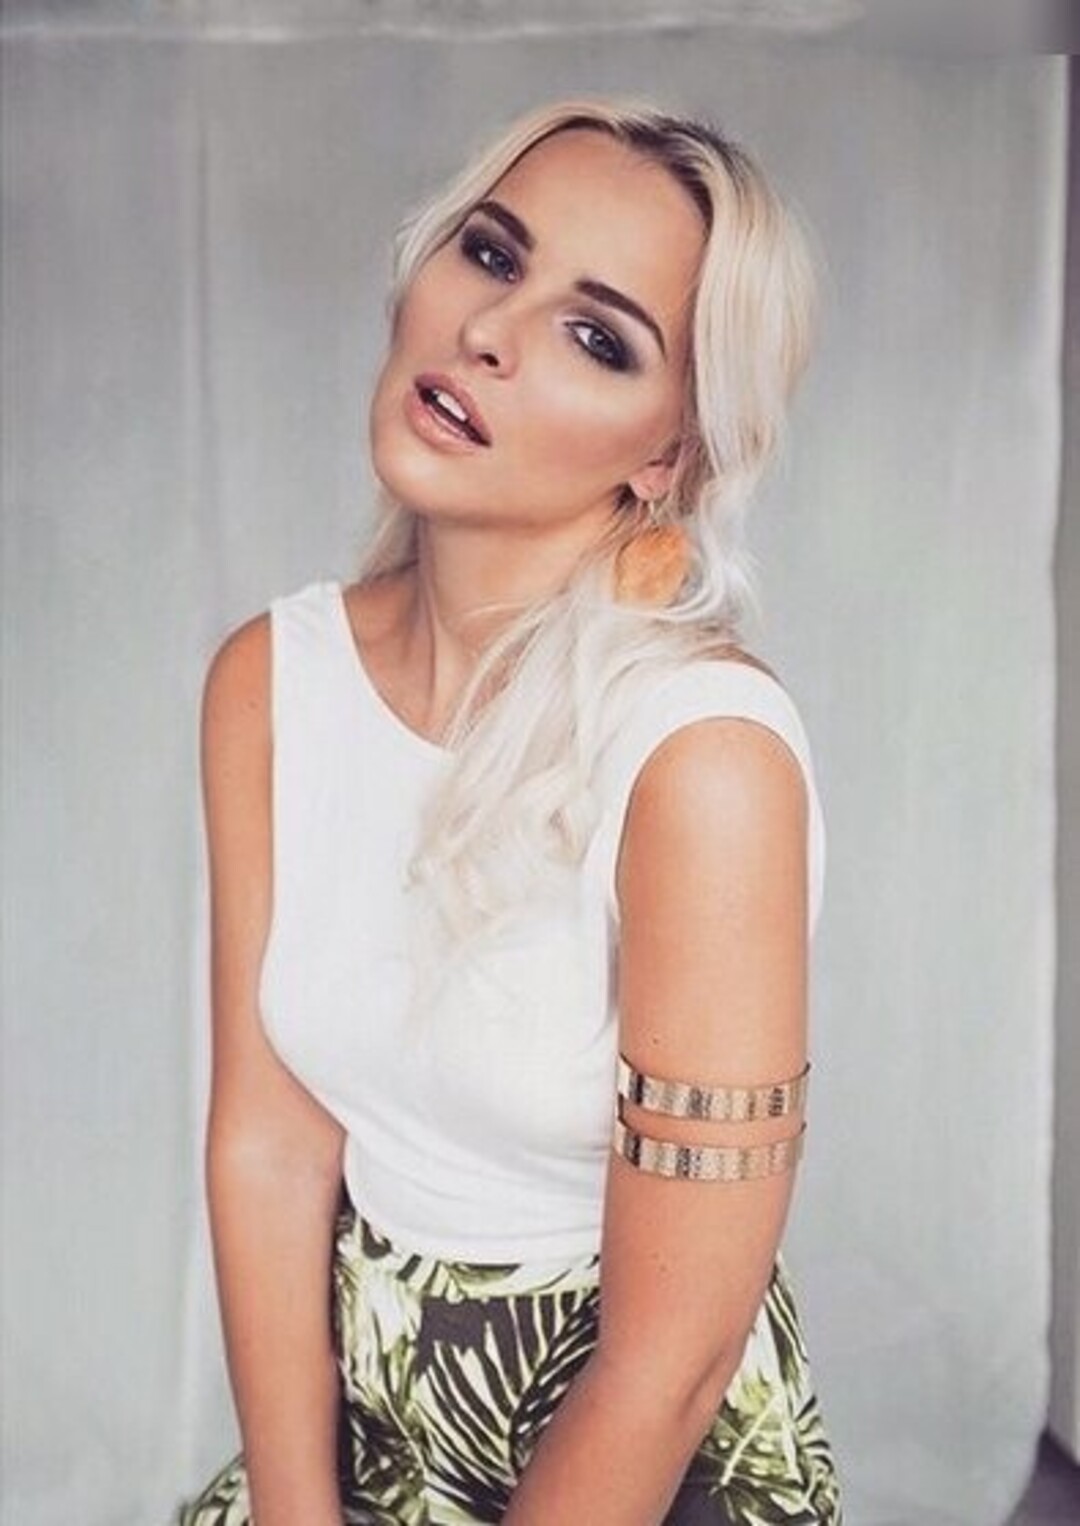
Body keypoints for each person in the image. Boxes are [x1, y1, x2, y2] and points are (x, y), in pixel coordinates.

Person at [176, 94, 843, 1526]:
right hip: (373, 1439)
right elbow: (272, 1148)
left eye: (599, 337)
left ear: (667, 456)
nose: (489, 332)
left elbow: (671, 1364)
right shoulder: (269, 683)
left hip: (639, 1465)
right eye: (491, 254)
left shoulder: (703, 764)